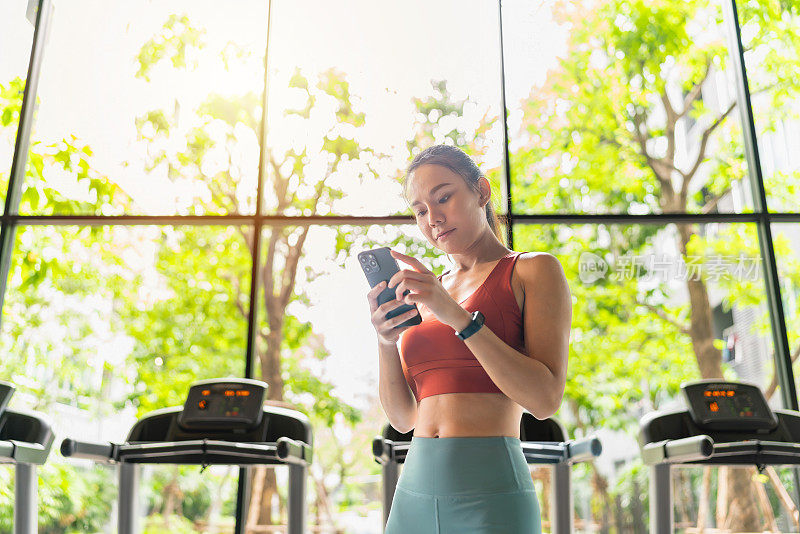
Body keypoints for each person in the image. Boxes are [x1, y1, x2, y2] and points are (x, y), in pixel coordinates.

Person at [365, 144, 571, 533]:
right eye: (420, 210)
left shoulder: (533, 270)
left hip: (491, 493)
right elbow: (404, 418)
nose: (434, 218)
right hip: (413, 492)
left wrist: (457, 317)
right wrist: (385, 341)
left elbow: (545, 400)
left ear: (481, 191)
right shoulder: (426, 293)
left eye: (444, 197)